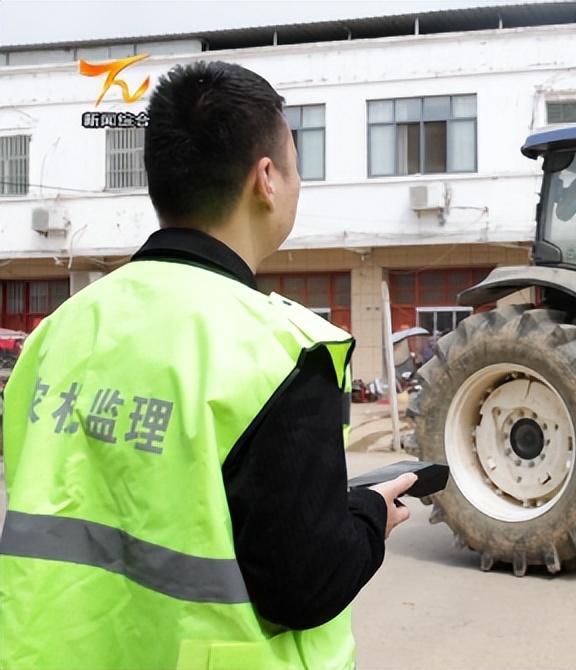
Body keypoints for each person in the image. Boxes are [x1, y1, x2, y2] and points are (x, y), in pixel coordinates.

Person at [0, 61, 416, 670]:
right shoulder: (284, 352)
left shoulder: (56, 335)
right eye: (296, 165)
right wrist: (369, 516)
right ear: (266, 179)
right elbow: (305, 586)